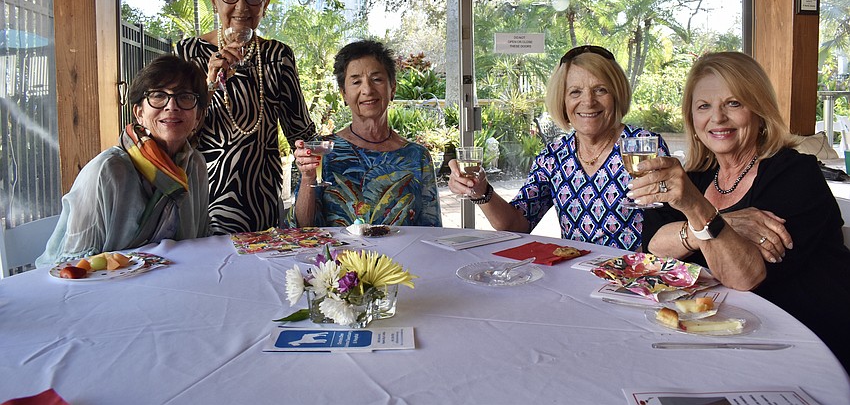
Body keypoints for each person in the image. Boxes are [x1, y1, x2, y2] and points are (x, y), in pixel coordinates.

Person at [636, 51, 850, 372]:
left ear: (759, 110)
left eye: (733, 103)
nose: (717, 118)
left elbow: (745, 276)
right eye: (704, 106)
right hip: (719, 338)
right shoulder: (695, 177)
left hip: (803, 344)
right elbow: (653, 246)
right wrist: (723, 222)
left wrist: (696, 208)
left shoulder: (795, 174)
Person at [448, 45, 668, 250]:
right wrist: (480, 190)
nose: (588, 101)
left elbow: (670, 226)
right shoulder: (555, 154)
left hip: (633, 280)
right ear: (562, 100)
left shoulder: (643, 145)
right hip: (575, 277)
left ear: (617, 94)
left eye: (600, 90)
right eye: (575, 92)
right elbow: (516, 224)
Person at [177, 0, 315, 234]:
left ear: (265, 3)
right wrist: (209, 82)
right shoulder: (187, 53)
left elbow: (300, 132)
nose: (241, 6)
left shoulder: (277, 56)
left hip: (260, 202)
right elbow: (173, 131)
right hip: (200, 201)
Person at [36, 55, 210, 266]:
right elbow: (79, 265)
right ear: (139, 113)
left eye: (185, 97)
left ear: (198, 117)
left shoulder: (195, 164)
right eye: (157, 96)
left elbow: (201, 240)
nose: (172, 106)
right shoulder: (107, 171)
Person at [293, 40, 441, 227]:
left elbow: (432, 231)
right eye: (356, 82)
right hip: (339, 256)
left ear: (392, 88)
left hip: (403, 256)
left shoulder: (417, 156)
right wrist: (308, 177)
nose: (367, 90)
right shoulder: (323, 152)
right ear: (344, 94)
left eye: (377, 79)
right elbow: (303, 229)